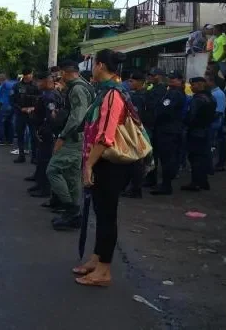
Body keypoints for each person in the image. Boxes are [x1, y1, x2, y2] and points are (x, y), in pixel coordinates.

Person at [73, 49, 138, 288]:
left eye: (93, 64)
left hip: (108, 163)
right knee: (101, 214)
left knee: (107, 216)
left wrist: (89, 165)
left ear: (100, 65)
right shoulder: (106, 92)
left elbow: (106, 136)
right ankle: (97, 258)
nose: (91, 69)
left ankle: (104, 271)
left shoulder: (112, 94)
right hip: (102, 161)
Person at [47, 60, 95, 230]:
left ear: (66, 72)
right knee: (72, 175)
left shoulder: (77, 88)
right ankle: (74, 215)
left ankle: (71, 209)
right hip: (81, 137)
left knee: (53, 170)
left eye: (60, 73)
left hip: (74, 137)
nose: (58, 77)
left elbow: (77, 116)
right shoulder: (83, 85)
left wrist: (62, 136)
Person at [150, 70, 187, 196]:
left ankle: (166, 186)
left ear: (180, 80)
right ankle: (165, 184)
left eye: (174, 78)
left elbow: (165, 110)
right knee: (166, 158)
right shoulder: (172, 91)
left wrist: (157, 113)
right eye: (170, 78)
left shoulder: (175, 94)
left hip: (168, 130)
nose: (171, 80)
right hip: (168, 129)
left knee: (167, 159)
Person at [28, 71, 63, 198]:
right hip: (44, 131)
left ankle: (45, 189)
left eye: (39, 81)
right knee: (41, 159)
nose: (37, 84)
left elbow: (51, 117)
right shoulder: (47, 94)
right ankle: (40, 183)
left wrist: (42, 130)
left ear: (46, 81)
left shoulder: (50, 96)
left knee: (45, 160)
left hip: (47, 133)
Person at [182, 77, 217, 191]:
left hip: (196, 132)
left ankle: (195, 183)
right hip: (206, 131)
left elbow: (191, 116)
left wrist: (185, 122)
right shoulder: (211, 97)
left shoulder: (197, 99)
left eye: (193, 85)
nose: (191, 87)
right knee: (203, 157)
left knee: (195, 157)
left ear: (200, 84)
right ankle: (203, 181)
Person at [121, 70, 148, 199]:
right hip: (140, 130)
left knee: (136, 161)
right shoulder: (142, 94)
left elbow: (136, 116)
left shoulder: (137, 96)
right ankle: (133, 187)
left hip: (136, 131)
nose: (129, 83)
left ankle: (135, 189)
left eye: (132, 81)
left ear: (140, 82)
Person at [142, 68, 167, 188]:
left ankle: (152, 179)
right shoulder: (154, 88)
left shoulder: (161, 89)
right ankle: (151, 178)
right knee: (151, 153)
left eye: (153, 75)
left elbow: (151, 104)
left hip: (154, 125)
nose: (151, 77)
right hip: (152, 124)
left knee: (152, 154)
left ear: (160, 76)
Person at [11, 68, 40, 164]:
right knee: (20, 135)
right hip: (21, 113)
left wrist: (34, 108)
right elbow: (12, 100)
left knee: (34, 135)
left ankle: (35, 157)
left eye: (30, 74)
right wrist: (20, 108)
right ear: (24, 75)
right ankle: (21, 155)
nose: (29, 76)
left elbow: (41, 99)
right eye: (27, 74)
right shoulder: (17, 86)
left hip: (33, 113)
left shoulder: (37, 86)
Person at [207, 74, 226, 172]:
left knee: (213, 145)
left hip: (215, 123)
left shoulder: (218, 94)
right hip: (215, 123)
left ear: (211, 82)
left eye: (206, 81)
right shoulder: (213, 93)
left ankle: (213, 165)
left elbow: (218, 111)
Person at [0, 73, 17, 146]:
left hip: (5, 105)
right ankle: (10, 140)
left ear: (0, 80)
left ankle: (1, 140)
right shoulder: (15, 84)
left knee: (0, 122)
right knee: (10, 123)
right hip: (13, 106)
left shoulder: (4, 85)